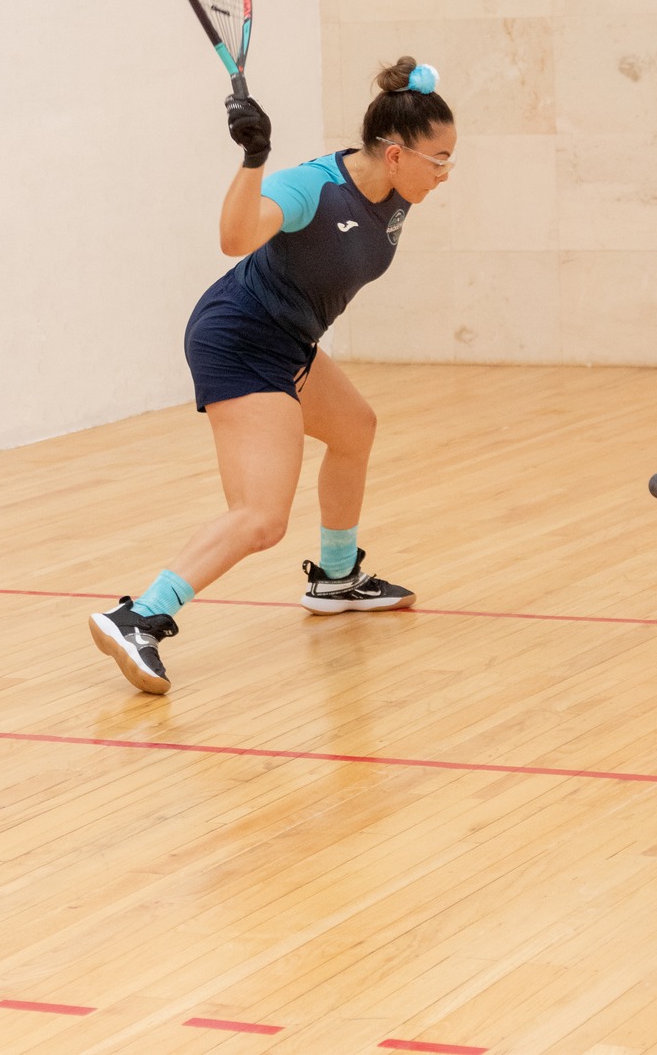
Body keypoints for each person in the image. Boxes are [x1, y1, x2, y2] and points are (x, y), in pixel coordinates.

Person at [89, 58, 458, 694]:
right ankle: (140, 615)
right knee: (261, 516)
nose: (445, 174)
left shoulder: (396, 195)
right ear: (396, 154)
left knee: (354, 430)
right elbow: (235, 239)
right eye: (439, 159)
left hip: (289, 339)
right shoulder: (312, 187)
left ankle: (336, 581)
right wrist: (254, 159)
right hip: (239, 339)